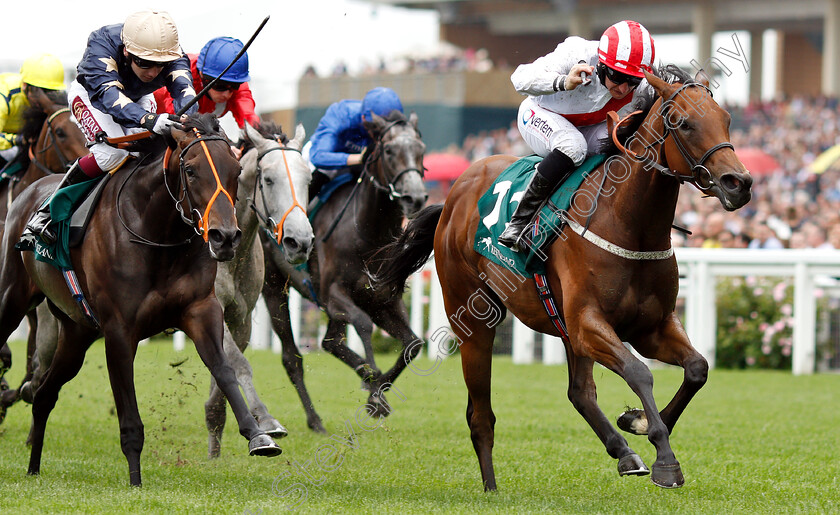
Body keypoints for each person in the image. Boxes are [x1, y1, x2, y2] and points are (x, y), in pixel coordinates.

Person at [22, 10, 197, 245]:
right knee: (110, 155)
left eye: (161, 65)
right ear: (126, 52)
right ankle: (46, 213)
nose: (154, 72)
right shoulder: (100, 45)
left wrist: (187, 118)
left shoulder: (170, 51)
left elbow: (185, 93)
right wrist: (151, 120)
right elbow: (111, 99)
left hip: (137, 98)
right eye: (145, 63)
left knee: (148, 152)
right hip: (93, 97)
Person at [498, 20, 656, 250]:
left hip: (588, 125)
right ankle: (519, 222)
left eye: (632, 81)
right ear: (602, 63)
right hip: (539, 113)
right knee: (573, 146)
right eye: (617, 77)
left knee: (623, 143)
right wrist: (563, 82)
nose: (623, 88)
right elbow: (519, 78)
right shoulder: (577, 51)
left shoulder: (642, 83)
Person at [306, 86, 404, 198]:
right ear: (363, 118)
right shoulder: (341, 115)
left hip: (361, 165)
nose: (380, 133)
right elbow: (318, 157)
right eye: (377, 127)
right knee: (320, 176)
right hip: (325, 162)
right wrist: (359, 158)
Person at [154, 36, 259, 131]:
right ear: (202, 75)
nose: (227, 94)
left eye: (235, 86)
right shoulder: (181, 75)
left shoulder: (235, 80)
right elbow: (177, 122)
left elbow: (249, 117)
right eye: (220, 86)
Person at [0, 53, 66, 167]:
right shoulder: (5, 94)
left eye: (49, 92)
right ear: (25, 86)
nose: (44, 99)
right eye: (39, 91)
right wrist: (18, 139)